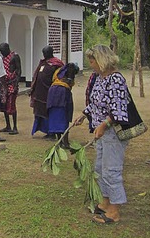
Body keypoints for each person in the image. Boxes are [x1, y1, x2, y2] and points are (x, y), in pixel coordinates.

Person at [75, 45, 130, 224]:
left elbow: (119, 110)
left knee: (111, 170)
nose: (91, 65)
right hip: (101, 132)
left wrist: (104, 125)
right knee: (100, 169)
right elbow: (96, 103)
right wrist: (84, 114)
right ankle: (105, 202)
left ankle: (114, 211)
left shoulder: (116, 80)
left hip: (112, 133)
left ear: (102, 60)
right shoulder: (100, 78)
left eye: (92, 61)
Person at [30, 46, 64, 138]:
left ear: (51, 52)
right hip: (40, 93)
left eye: (46, 53)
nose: (44, 55)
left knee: (49, 112)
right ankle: (46, 130)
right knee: (41, 112)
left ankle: (52, 132)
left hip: (50, 93)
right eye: (43, 53)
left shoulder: (57, 64)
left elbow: (61, 78)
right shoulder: (43, 63)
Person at [46, 63, 79, 147]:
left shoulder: (59, 72)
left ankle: (60, 141)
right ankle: (66, 142)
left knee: (55, 117)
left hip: (52, 93)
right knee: (64, 117)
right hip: (62, 94)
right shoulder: (69, 76)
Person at [0, 42, 22, 135]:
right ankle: (8, 126)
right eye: (1, 51)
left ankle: (15, 127)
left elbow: (19, 70)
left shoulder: (15, 56)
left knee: (12, 105)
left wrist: (16, 83)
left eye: (3, 51)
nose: (2, 53)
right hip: (4, 84)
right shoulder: (3, 58)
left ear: (7, 48)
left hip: (12, 84)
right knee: (4, 105)